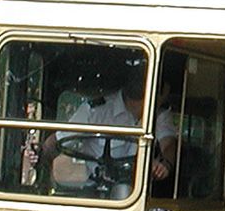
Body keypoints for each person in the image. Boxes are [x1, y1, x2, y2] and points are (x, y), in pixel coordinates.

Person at [37, 73, 177, 185]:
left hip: (138, 192)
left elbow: (169, 144)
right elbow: (55, 142)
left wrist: (165, 164)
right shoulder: (95, 111)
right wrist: (42, 165)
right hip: (92, 189)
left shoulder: (160, 114)